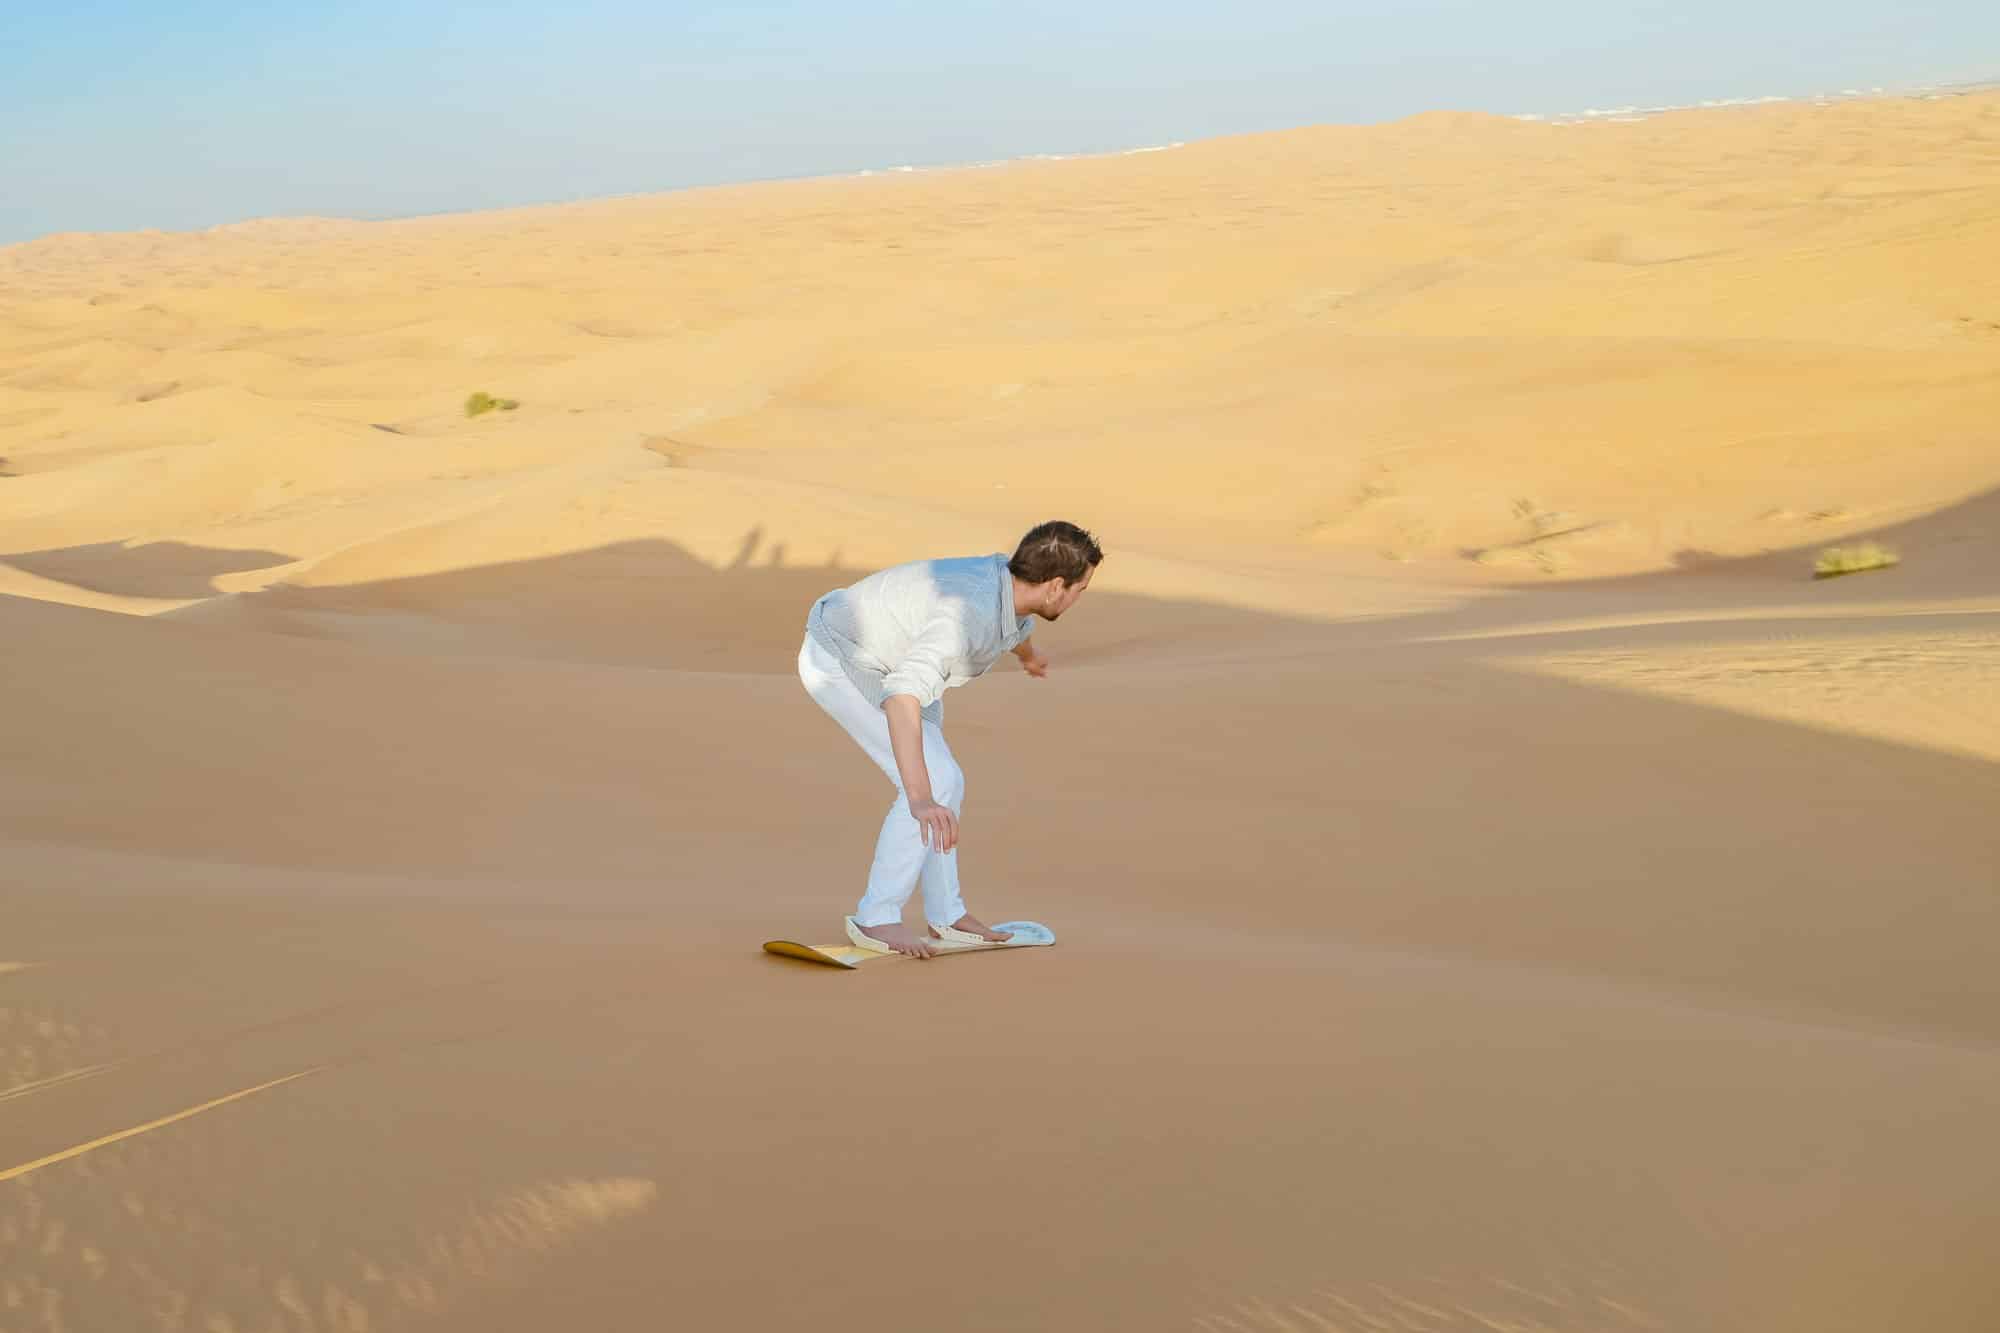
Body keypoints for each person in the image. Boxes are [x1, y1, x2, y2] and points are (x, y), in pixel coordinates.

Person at [797, 520, 1102, 958]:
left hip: (885, 655)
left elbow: (1013, 624)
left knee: (947, 781)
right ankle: (876, 917)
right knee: (931, 784)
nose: (1078, 599)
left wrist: (1029, 657)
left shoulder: (1007, 583)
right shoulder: (965, 617)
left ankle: (947, 915)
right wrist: (918, 797)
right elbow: (902, 695)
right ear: (1056, 586)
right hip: (841, 659)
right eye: (1080, 589)